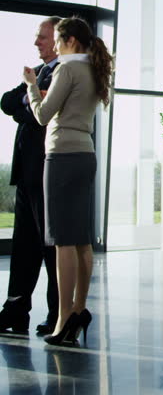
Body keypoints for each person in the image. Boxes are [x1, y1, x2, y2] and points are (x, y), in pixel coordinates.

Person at [24, 17, 111, 346]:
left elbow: (43, 115)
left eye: (58, 41)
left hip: (61, 157)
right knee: (82, 241)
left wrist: (32, 86)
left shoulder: (67, 68)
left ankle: (62, 320)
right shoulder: (94, 69)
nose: (55, 48)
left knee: (62, 241)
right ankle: (78, 309)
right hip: (85, 156)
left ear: (71, 41)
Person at [0, 17, 61, 335]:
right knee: (23, 243)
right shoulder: (38, 75)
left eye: (42, 37)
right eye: (36, 37)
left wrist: (28, 103)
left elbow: (40, 117)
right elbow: (7, 102)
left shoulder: (64, 73)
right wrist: (31, 94)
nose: (36, 43)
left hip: (49, 170)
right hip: (26, 171)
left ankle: (58, 314)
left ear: (58, 39)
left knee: (51, 244)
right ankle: (15, 309)